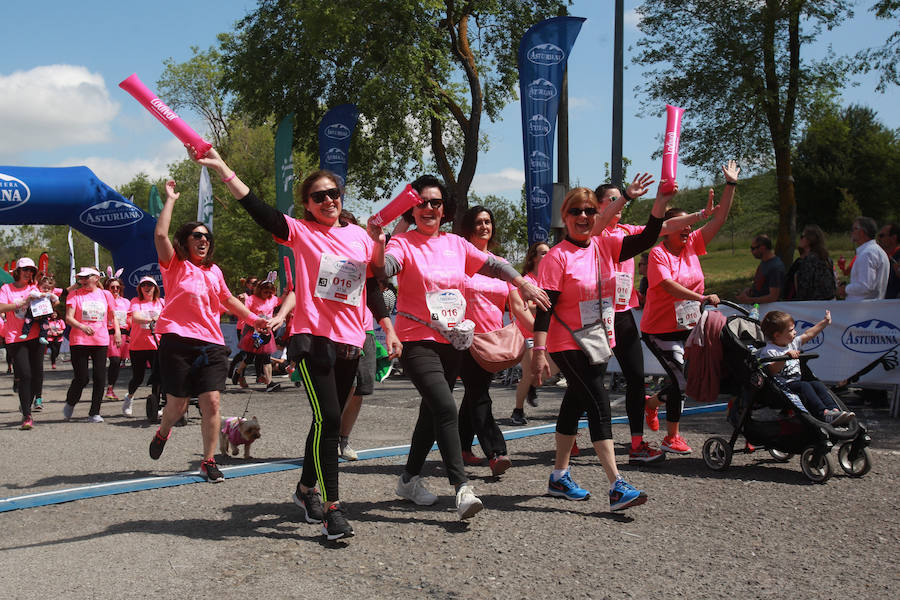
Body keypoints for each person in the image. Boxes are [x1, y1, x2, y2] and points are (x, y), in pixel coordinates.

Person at [195, 148, 400, 541]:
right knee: (329, 420)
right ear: (307, 205)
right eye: (319, 196)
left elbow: (374, 280)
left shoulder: (358, 235)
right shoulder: (301, 232)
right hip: (313, 341)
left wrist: (387, 327)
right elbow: (259, 210)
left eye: (334, 194)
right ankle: (332, 510)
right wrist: (223, 169)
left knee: (327, 421)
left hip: (352, 341)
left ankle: (305, 491)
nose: (328, 200)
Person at [369, 174, 549, 520]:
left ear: (444, 209)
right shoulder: (403, 244)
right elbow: (382, 269)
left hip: (452, 340)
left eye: (436, 202)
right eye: (421, 202)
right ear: (411, 207)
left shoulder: (454, 243)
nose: (428, 208)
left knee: (431, 413)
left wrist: (522, 283)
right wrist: (378, 241)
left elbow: (494, 264)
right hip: (416, 339)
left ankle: (408, 480)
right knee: (446, 408)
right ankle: (462, 488)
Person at [531, 176, 669, 511]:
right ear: (565, 217)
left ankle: (559, 476)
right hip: (567, 342)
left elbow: (649, 237)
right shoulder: (556, 258)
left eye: (590, 211)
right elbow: (544, 309)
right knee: (598, 402)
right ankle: (616, 485)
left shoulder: (604, 245)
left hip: (596, 337)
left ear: (597, 215)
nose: (583, 216)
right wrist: (538, 351)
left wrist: (660, 201)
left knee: (575, 403)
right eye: (576, 211)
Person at [147, 179, 269, 485]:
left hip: (211, 343)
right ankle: (163, 432)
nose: (203, 240)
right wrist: (171, 199)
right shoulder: (174, 265)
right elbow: (160, 233)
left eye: (206, 237)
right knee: (177, 404)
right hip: (177, 340)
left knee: (212, 401)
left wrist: (254, 320)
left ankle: (208, 460)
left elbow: (227, 300)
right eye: (197, 236)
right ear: (186, 241)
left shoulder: (214, 271)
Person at [593, 174, 714, 465]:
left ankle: (637, 443)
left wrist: (700, 215)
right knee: (588, 382)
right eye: (610, 199)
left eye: (617, 198)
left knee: (636, 379)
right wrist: (626, 195)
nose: (616, 203)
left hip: (621, 313)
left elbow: (661, 227)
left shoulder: (625, 229)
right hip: (595, 315)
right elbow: (603, 221)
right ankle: (569, 436)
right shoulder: (594, 232)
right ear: (597, 206)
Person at [641, 161, 740, 455]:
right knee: (683, 380)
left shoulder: (693, 244)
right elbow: (668, 286)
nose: (688, 229)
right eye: (681, 226)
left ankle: (652, 403)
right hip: (660, 331)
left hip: (690, 327)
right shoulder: (658, 253)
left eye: (689, 225)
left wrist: (730, 185)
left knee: (692, 378)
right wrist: (701, 299)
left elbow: (719, 219)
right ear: (666, 230)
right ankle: (672, 437)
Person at [456, 205, 532, 475]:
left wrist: (543, 336)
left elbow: (518, 306)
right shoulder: (459, 261)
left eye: (488, 221)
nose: (484, 226)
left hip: (493, 341)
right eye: (478, 222)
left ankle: (461, 449)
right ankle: (496, 452)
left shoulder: (502, 266)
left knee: (473, 395)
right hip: (465, 339)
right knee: (479, 395)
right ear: (468, 227)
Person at [760, 309, 854, 424]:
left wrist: (825, 322)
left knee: (816, 384)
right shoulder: (769, 351)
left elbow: (809, 334)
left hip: (796, 382)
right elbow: (771, 370)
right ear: (777, 335)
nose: (795, 332)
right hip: (783, 386)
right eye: (791, 330)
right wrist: (785, 357)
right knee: (805, 386)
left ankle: (834, 410)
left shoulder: (792, 343)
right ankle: (822, 413)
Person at [63, 267, 121, 423]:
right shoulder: (74, 295)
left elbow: (112, 315)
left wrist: (117, 332)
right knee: (82, 378)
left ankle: (94, 412)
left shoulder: (105, 294)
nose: (82, 280)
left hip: (100, 340)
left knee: (100, 377)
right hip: (79, 340)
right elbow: (69, 318)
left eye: (86, 277)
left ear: (96, 278)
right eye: (81, 278)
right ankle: (71, 402)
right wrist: (82, 327)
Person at [510, 241, 553, 426]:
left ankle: (533, 386)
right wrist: (542, 307)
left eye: (549, 253)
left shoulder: (551, 279)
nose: (547, 256)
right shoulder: (526, 281)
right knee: (528, 373)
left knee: (547, 371)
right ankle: (517, 410)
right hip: (526, 333)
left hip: (545, 334)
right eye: (543, 253)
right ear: (534, 257)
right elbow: (524, 307)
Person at [0, 257, 44, 429]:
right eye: (25, 270)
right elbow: (1, 307)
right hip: (15, 337)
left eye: (31, 270)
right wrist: (18, 303)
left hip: (35, 336)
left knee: (36, 376)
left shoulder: (34, 288)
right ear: (18, 271)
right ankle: (27, 415)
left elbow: (45, 303)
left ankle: (26, 403)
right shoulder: (6, 288)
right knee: (25, 375)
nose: (28, 273)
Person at [121, 276, 165, 416]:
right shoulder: (135, 301)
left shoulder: (161, 302)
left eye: (150, 285)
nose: (147, 287)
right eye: (144, 285)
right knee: (138, 377)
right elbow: (135, 317)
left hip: (156, 345)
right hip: (138, 346)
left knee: (157, 377)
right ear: (140, 288)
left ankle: (156, 405)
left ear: (155, 288)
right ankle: (129, 397)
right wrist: (153, 319)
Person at [233, 276, 280, 391]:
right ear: (260, 290)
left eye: (270, 292)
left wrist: (287, 291)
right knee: (250, 357)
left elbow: (283, 299)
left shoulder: (272, 299)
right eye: (265, 292)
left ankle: (269, 383)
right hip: (253, 332)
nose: (268, 294)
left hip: (266, 332)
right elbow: (243, 310)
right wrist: (243, 300)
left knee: (266, 356)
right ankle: (238, 372)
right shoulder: (252, 299)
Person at [838, 216, 890, 301]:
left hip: (862, 310)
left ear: (862, 232)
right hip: (871, 307)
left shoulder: (867, 253)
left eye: (854, 229)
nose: (851, 232)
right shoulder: (876, 251)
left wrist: (845, 289)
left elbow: (865, 286)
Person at [785, 225, 836, 301]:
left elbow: (804, 290)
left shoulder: (808, 261)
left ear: (810, 240)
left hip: (811, 306)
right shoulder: (827, 259)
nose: (800, 239)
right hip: (827, 304)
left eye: (802, 236)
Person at [735, 234, 785, 305]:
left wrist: (750, 300)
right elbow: (761, 286)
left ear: (762, 248)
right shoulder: (764, 262)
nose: (751, 251)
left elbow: (773, 297)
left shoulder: (775, 267)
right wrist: (749, 291)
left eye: (753, 248)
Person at [104, 275, 131, 402]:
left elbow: (130, 320)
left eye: (117, 287)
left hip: (125, 335)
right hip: (110, 334)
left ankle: (111, 388)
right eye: (112, 287)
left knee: (118, 362)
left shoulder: (126, 302)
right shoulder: (104, 301)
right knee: (114, 360)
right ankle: (109, 388)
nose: (115, 289)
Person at [18, 275, 58, 345]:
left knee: (45, 324)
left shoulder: (49, 294)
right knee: (28, 321)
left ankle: (42, 336)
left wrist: (51, 295)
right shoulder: (36, 291)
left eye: (48, 288)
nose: (46, 290)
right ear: (39, 286)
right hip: (33, 312)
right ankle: (25, 333)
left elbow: (56, 299)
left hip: (43, 313)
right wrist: (40, 294)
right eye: (44, 287)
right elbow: (31, 293)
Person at [876, 223, 900, 299]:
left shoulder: (898, 256)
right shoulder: (884, 257)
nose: (878, 238)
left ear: (893, 238)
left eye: (881, 236)